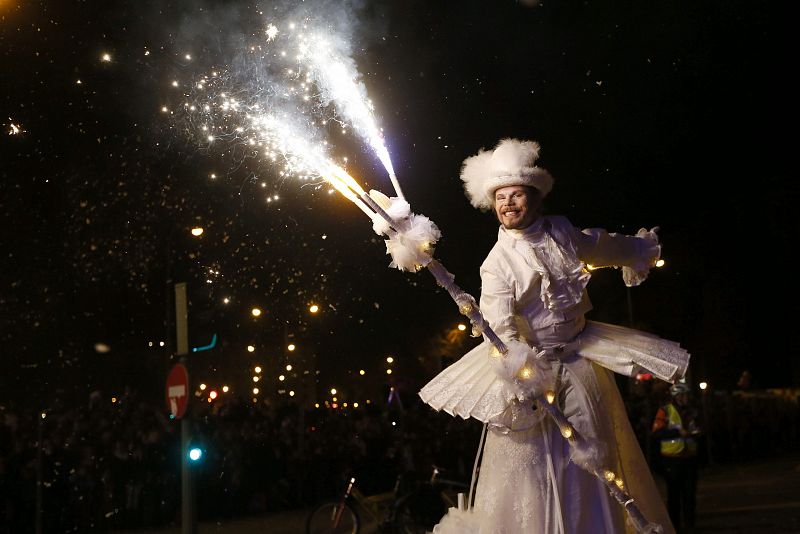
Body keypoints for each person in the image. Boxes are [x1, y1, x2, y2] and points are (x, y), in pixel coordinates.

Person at [419, 138, 690, 534]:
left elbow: (599, 244)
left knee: (594, 457)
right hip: (534, 373)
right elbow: (501, 327)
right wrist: (521, 373)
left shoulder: (560, 231)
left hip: (581, 361)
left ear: (536, 198)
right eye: (500, 198)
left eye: (516, 195)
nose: (508, 203)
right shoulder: (496, 263)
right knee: (540, 468)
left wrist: (637, 250)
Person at [651, 383, 701, 533]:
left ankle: (690, 525)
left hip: (690, 458)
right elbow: (657, 433)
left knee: (690, 494)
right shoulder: (665, 411)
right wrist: (678, 434)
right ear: (676, 397)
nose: (686, 398)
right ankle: (675, 526)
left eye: (687, 395)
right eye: (683, 395)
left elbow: (698, 426)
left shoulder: (693, 411)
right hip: (672, 460)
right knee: (674, 495)